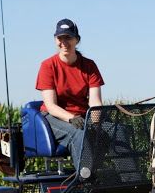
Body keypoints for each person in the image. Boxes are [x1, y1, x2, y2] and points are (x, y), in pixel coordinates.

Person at [35, 18, 104, 171]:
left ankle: (131, 181)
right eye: (60, 38)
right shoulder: (47, 66)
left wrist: (96, 123)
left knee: (117, 131)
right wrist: (71, 118)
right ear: (55, 40)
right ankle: (86, 179)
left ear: (77, 40)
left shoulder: (89, 66)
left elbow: (95, 102)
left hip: (82, 116)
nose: (64, 42)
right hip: (54, 117)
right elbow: (51, 106)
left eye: (68, 37)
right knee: (79, 134)